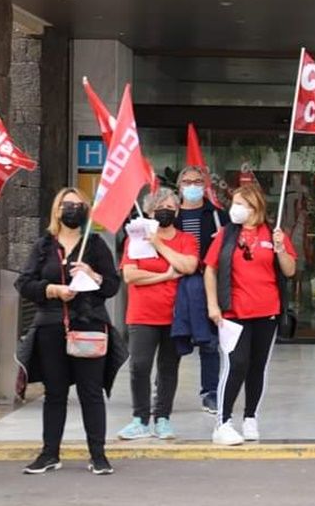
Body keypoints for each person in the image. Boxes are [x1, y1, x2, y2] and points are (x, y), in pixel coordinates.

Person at [15, 187, 123, 475]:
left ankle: (98, 455)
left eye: (78, 205)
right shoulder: (44, 246)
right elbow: (24, 283)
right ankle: (49, 453)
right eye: (67, 204)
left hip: (89, 327)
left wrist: (93, 274)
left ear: (86, 211)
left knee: (91, 392)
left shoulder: (96, 245)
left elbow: (113, 285)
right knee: (55, 393)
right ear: (57, 209)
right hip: (51, 326)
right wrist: (51, 289)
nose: (72, 209)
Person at [204, 184, 297, 445]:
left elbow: (289, 270)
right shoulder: (226, 235)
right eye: (234, 203)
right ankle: (222, 422)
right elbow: (210, 269)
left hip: (267, 312)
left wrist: (280, 248)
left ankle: (250, 417)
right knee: (237, 364)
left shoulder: (273, 233)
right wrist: (213, 305)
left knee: (258, 366)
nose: (236, 209)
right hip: (234, 312)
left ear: (256, 207)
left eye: (241, 203)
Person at [117, 188, 199, 441]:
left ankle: (163, 418)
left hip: (175, 315)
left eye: (171, 207)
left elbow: (188, 266)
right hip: (142, 315)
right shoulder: (135, 239)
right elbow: (130, 276)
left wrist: (159, 244)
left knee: (168, 368)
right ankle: (140, 419)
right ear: (149, 212)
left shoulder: (186, 240)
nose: (166, 211)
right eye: (160, 207)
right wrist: (164, 276)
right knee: (139, 366)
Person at [175, 166, 229, 414]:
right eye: (187, 182)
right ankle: (162, 393)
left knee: (210, 342)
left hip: (208, 285)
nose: (193, 186)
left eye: (197, 181)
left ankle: (210, 392)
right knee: (172, 340)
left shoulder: (218, 216)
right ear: (180, 186)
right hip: (173, 285)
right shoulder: (169, 215)